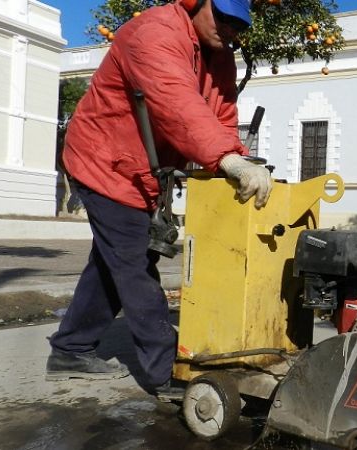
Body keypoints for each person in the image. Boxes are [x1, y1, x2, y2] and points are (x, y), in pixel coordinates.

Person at [46, 0, 271, 400]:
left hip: (139, 171)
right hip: (104, 160)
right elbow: (176, 101)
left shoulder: (219, 56)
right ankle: (164, 370)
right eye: (222, 16)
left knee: (113, 259)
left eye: (238, 23)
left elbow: (219, 114)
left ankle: (71, 348)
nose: (229, 28)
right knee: (133, 260)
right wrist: (226, 159)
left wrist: (232, 158)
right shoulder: (155, 32)